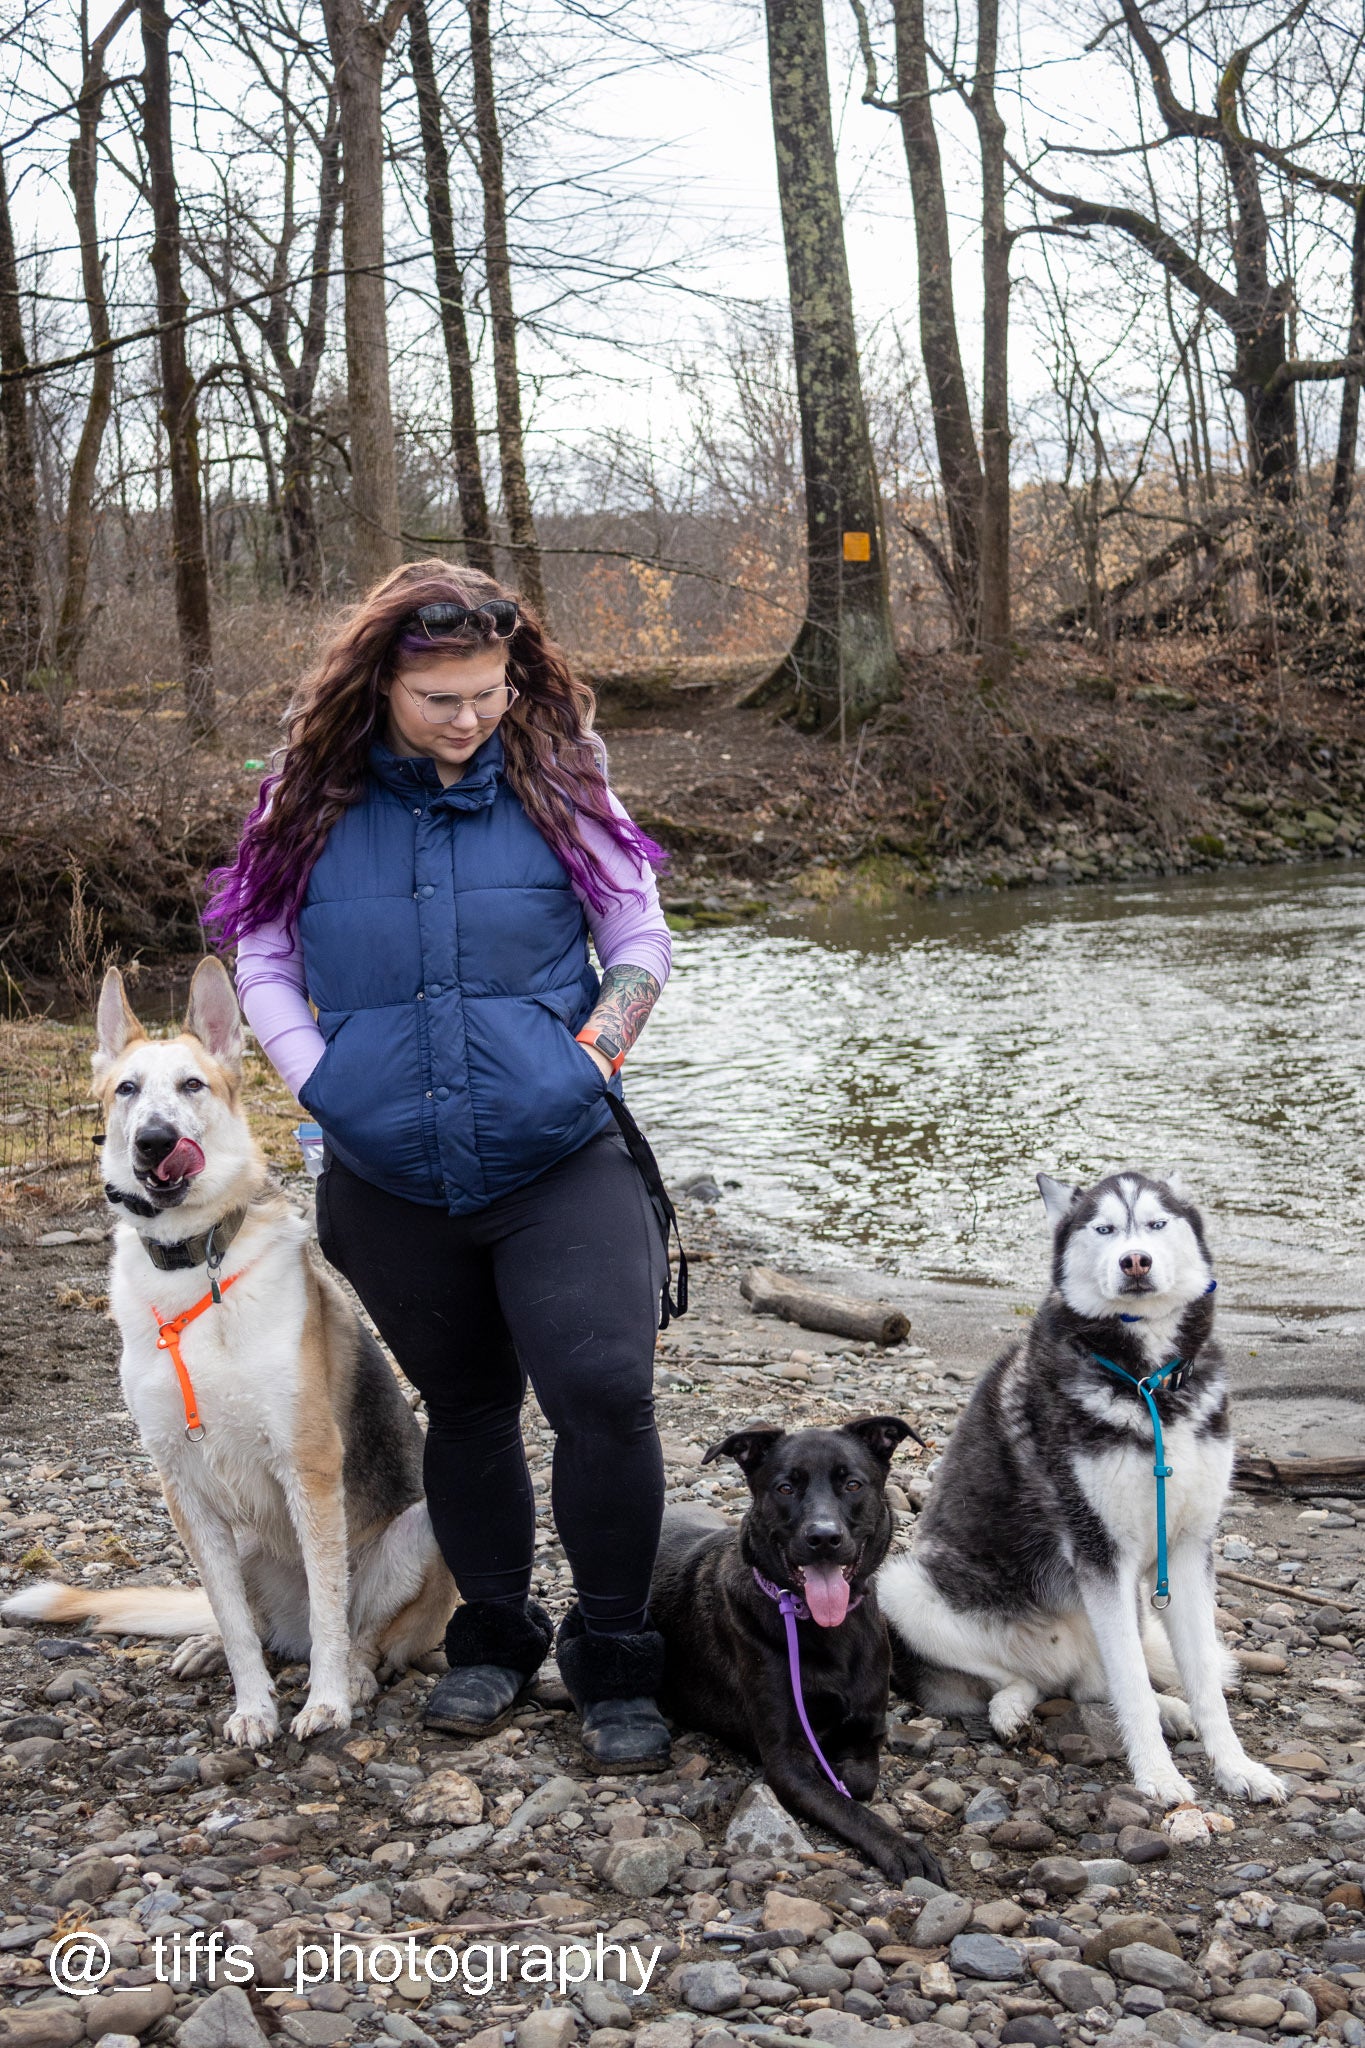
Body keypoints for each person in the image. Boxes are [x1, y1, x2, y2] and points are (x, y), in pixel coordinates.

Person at [206, 559, 677, 1770]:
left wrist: (596, 1054)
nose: (473, 716)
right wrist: (313, 1070)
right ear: (382, 684)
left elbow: (636, 934)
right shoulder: (304, 793)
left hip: (559, 1148)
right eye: (443, 698)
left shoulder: (558, 769)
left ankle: (616, 1651)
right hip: (389, 1170)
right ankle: (493, 1637)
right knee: (465, 1406)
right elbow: (256, 939)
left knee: (605, 1390)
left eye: (491, 688)